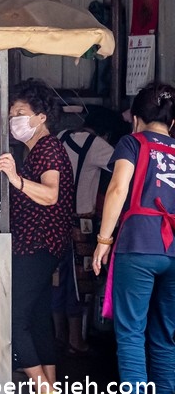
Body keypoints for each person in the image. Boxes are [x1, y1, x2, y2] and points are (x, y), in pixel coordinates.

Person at [92, 83, 175, 394]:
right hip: (172, 248)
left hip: (138, 243)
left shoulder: (132, 142)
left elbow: (117, 189)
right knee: (166, 333)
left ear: (137, 118)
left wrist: (103, 241)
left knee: (131, 329)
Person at [0, 78, 74, 394]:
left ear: (41, 117)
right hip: (43, 246)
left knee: (13, 319)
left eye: (21, 112)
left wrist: (16, 180)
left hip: (37, 245)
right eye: (12, 113)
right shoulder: (36, 150)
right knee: (39, 319)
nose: (14, 119)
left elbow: (51, 194)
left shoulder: (48, 148)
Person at [52, 106, 126, 355]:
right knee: (78, 282)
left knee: (57, 280)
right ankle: (76, 340)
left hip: (52, 220)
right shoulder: (98, 145)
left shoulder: (60, 136)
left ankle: (59, 336)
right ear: (107, 133)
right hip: (79, 223)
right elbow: (124, 171)